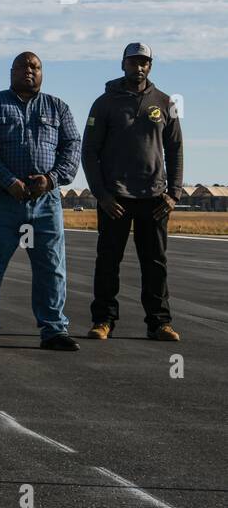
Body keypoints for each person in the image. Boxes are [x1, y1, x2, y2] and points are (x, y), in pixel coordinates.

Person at [0, 52, 81, 351]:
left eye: (36, 66)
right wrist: (8, 181)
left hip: (46, 202)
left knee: (51, 267)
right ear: (11, 71)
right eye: (23, 66)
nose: (29, 71)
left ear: (41, 72)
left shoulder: (58, 108)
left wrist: (52, 179)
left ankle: (54, 330)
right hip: (0, 199)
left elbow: (72, 147)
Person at [82, 43, 183, 342]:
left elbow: (176, 149)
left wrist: (173, 193)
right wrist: (101, 194)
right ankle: (103, 320)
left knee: (155, 263)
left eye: (144, 62)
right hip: (115, 198)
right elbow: (89, 151)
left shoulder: (165, 102)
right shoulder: (104, 103)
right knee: (108, 260)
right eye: (133, 62)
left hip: (154, 198)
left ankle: (159, 323)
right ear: (122, 64)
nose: (139, 67)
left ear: (150, 66)